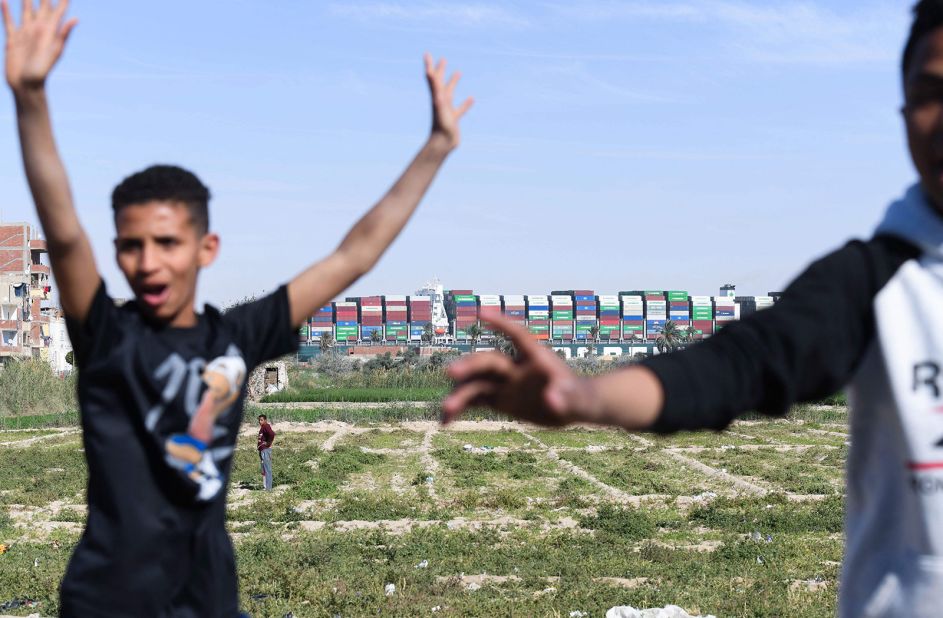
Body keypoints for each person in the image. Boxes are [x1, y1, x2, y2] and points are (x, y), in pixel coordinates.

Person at [443, 2, 943, 617]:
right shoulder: (873, 282)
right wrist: (585, 399)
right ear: (901, 112)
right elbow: (735, 367)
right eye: (929, 92)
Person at [2, 1, 472, 615]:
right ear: (115, 251)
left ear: (206, 248)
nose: (149, 262)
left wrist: (436, 146)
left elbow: (353, 256)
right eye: (131, 245)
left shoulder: (238, 336)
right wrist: (31, 96)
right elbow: (63, 232)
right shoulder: (104, 333)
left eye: (167, 243)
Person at [257, 414, 275, 491]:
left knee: (267, 469)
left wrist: (268, 443)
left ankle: (269, 488)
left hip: (265, 450)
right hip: (262, 450)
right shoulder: (262, 427)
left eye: (261, 420)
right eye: (259, 420)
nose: (260, 422)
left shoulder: (266, 426)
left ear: (265, 420)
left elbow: (272, 434)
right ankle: (265, 487)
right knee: (263, 469)